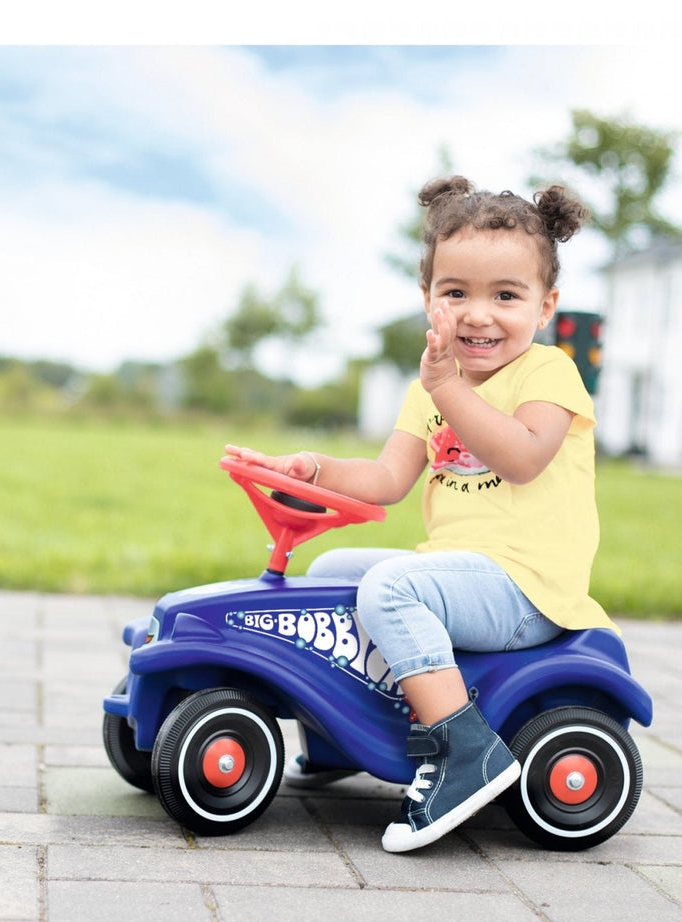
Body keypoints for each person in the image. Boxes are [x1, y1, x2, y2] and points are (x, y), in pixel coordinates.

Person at [225, 174, 616, 853]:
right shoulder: (430, 385)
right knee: (334, 571)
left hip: (527, 586)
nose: (478, 314)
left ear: (545, 305)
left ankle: (467, 752)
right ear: (428, 298)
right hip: (463, 574)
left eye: (506, 295)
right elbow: (385, 479)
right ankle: (342, 731)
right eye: (455, 292)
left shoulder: (549, 375)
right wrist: (314, 468)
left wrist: (447, 389)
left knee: (388, 586)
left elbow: (523, 456)